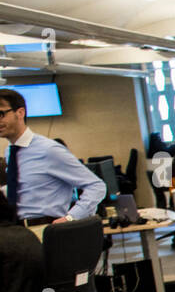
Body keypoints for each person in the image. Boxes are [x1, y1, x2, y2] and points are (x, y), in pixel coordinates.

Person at [0, 88, 105, 226]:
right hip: (19, 230)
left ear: (20, 113)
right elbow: (25, 189)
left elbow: (96, 186)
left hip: (45, 227)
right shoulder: (10, 152)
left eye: (1, 114)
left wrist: (71, 217)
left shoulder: (48, 150)